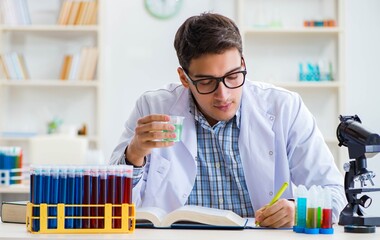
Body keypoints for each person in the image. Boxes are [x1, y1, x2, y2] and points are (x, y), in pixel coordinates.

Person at [110, 12, 346, 228]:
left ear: (243, 64)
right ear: (184, 78)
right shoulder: (152, 107)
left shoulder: (285, 107)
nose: (223, 94)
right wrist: (134, 155)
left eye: (233, 76)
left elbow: (334, 193)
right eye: (206, 82)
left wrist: (297, 210)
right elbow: (111, 203)